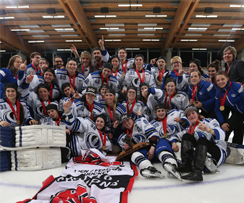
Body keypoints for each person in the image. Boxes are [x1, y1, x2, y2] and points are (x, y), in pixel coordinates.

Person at [118, 113, 181, 179]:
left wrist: (152, 148)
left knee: (162, 147)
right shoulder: (124, 136)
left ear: (132, 119)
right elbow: (125, 153)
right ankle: (149, 168)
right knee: (134, 154)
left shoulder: (140, 121)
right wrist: (126, 148)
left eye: (128, 120)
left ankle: (172, 164)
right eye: (124, 122)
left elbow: (153, 135)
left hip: (156, 144)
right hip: (147, 153)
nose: (126, 123)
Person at [175, 105, 226, 181]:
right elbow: (176, 136)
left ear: (197, 114)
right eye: (188, 115)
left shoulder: (209, 121)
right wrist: (172, 142)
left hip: (216, 152)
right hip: (204, 153)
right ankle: (186, 165)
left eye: (193, 113)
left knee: (202, 139)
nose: (191, 116)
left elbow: (222, 134)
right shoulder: (189, 128)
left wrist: (208, 130)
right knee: (186, 136)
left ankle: (197, 172)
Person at [215, 71, 244, 144]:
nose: (220, 82)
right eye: (218, 80)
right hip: (238, 113)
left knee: (238, 129)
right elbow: (217, 109)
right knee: (227, 127)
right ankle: (225, 147)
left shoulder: (236, 87)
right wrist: (222, 122)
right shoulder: (219, 93)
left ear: (227, 78)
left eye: (222, 79)